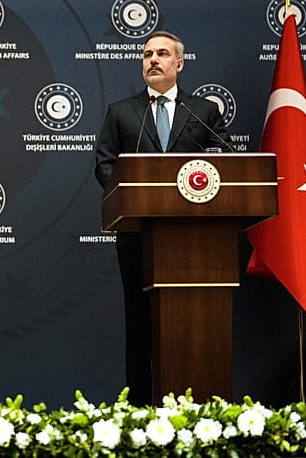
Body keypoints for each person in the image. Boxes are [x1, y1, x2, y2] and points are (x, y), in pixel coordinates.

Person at [94, 31, 232, 405]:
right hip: (139, 236)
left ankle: (203, 405)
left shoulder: (202, 112)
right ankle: (140, 408)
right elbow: (105, 163)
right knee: (139, 325)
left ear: (179, 64)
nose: (153, 60)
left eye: (162, 54)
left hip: (196, 240)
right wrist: (133, 193)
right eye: (147, 54)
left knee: (196, 325)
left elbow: (224, 158)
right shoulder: (122, 112)